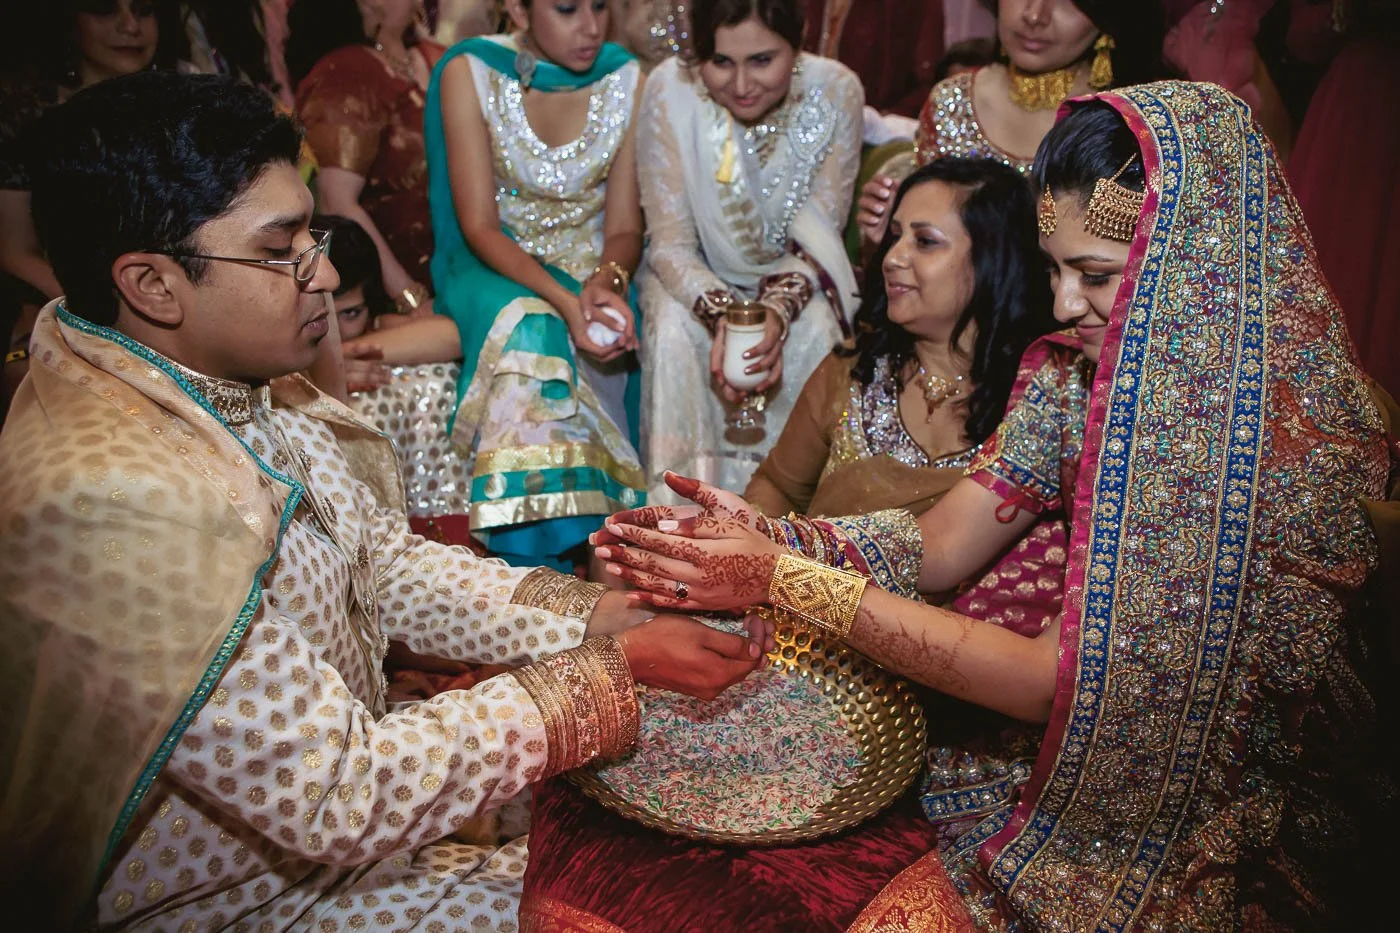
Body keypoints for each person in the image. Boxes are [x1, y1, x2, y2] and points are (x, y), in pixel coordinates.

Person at [586, 81, 1396, 928]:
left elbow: (1046, 683)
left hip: (1214, 824)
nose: (1062, 304)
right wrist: (771, 533)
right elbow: (941, 542)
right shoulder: (1072, 374)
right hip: (1053, 750)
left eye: (1095, 274)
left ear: (1193, 265)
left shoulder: (1245, 437)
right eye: (1053, 270)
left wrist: (783, 576)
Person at [0, 71, 770, 930]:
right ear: (150, 285)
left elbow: (382, 562)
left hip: (341, 854)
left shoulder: (214, 380)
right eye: (278, 248)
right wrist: (608, 674)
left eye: (311, 234)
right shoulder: (114, 501)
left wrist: (594, 619)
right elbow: (336, 787)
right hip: (239, 902)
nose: (323, 273)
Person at [353, 0, 648, 571]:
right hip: (490, 266)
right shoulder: (472, 70)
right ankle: (533, 566)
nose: (591, 26)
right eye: (567, 8)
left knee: (608, 326)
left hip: (593, 272)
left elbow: (626, 228)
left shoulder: (627, 77)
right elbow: (479, 228)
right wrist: (566, 304)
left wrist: (605, 283)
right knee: (533, 326)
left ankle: (593, 564)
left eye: (601, 6)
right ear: (515, 6)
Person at [639, 0, 864, 502]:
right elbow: (671, 245)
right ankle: (680, 524)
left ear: (798, 45)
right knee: (674, 331)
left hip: (799, 280)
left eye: (762, 60)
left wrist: (775, 315)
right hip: (691, 280)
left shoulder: (836, 90)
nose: (741, 85)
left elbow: (819, 241)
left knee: (818, 332)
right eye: (721, 62)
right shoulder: (670, 89)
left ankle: (793, 534)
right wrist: (727, 318)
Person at [743, 157, 1054, 520]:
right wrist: (761, 553)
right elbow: (777, 487)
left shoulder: (1038, 400)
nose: (892, 257)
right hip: (811, 577)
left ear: (994, 259)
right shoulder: (857, 368)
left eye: (925, 241)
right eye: (895, 236)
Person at [0, 0, 185, 421]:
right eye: (104, 10)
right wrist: (101, 307)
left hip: (176, 295)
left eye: (144, 10)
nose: (130, 26)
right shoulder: (25, 117)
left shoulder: (184, 107)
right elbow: (13, 249)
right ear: (69, 20)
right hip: (62, 300)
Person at [855, 0, 1167, 248]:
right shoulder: (953, 102)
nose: (1034, 14)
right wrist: (888, 237)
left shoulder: (1130, 121)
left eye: (1067, 2)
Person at [288, 0, 444, 316]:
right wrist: (408, 297)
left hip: (453, 273)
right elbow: (338, 202)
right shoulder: (348, 73)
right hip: (390, 297)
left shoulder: (434, 57)